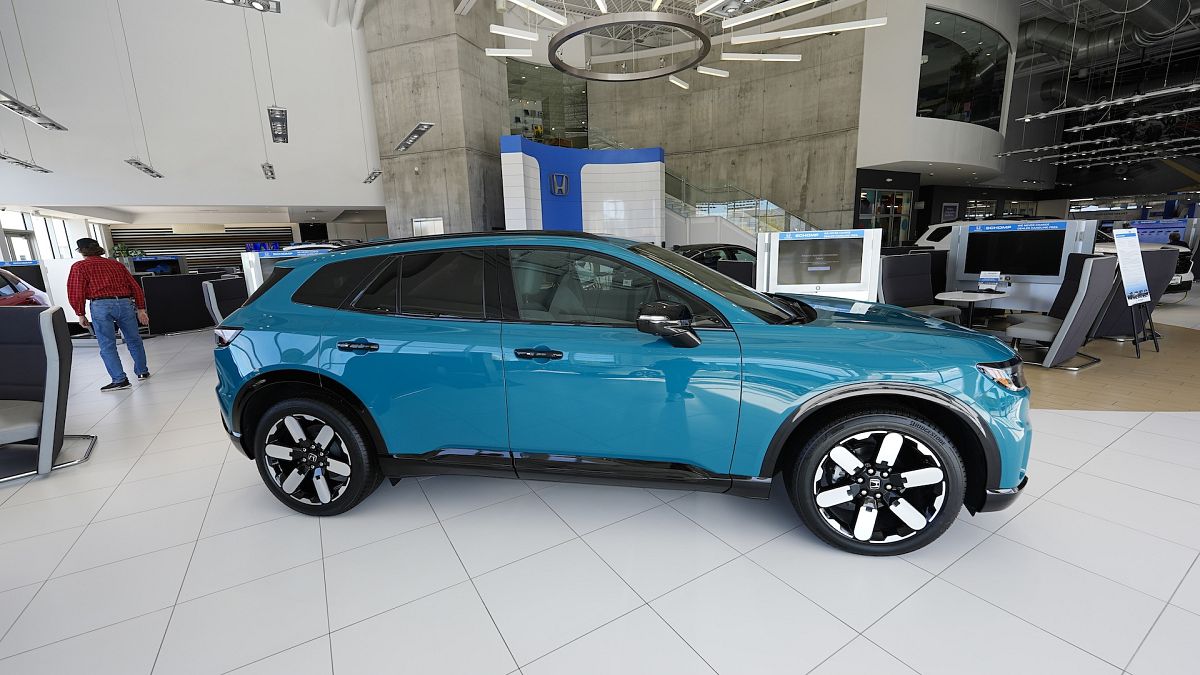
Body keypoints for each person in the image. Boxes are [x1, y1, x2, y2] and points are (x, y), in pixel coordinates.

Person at [66, 238, 151, 391]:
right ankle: (142, 371)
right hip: (125, 303)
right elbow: (135, 287)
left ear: (81, 251)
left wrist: (80, 313)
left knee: (107, 344)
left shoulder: (79, 266)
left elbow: (75, 291)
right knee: (134, 340)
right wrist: (141, 308)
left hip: (101, 305)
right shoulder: (116, 264)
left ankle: (120, 380)